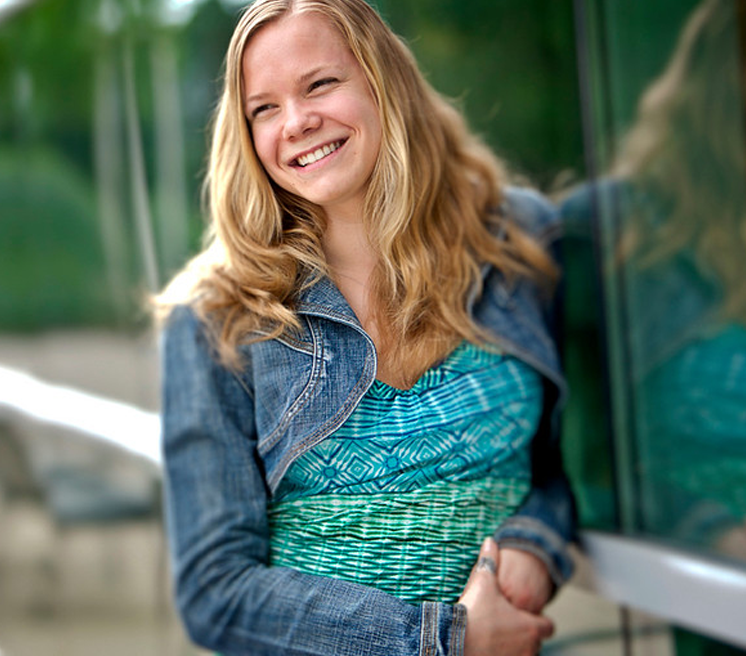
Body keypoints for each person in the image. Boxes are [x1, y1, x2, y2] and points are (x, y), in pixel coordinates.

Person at [155, 0, 576, 654]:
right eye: (263, 108)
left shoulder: (516, 245)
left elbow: (575, 463)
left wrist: (537, 542)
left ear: (385, 84)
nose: (295, 122)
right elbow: (216, 592)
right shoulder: (217, 316)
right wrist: (442, 641)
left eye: (320, 84)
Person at [562, 0, 746, 642]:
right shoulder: (604, 238)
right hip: (690, 625)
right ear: (744, 58)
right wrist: (704, 529)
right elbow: (569, 458)